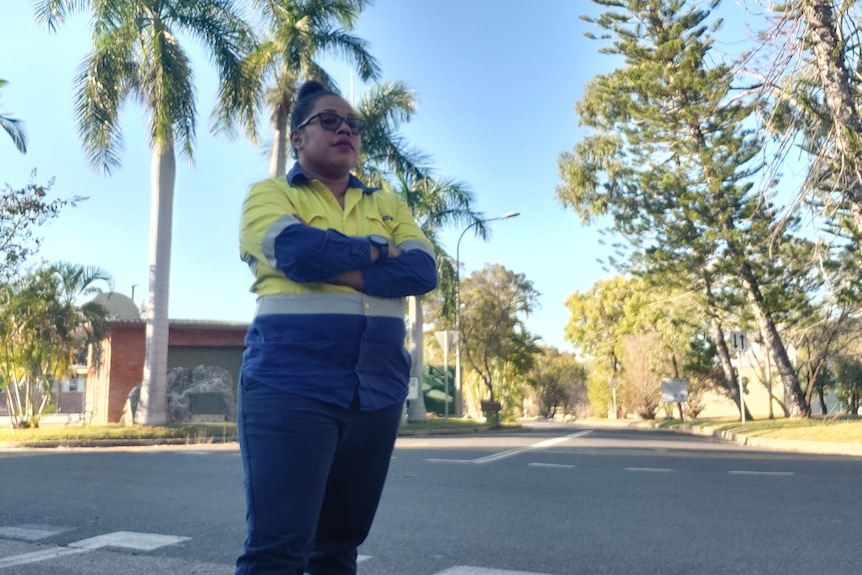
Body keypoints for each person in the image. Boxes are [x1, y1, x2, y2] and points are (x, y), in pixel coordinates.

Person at [235, 80, 438, 575]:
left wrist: (338, 262)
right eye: (329, 120)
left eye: (353, 124)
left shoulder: (387, 204)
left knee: (337, 549)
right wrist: (379, 253)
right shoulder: (270, 194)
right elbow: (297, 254)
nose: (345, 129)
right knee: (278, 551)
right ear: (298, 137)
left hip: (378, 393)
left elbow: (422, 271)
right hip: (290, 387)